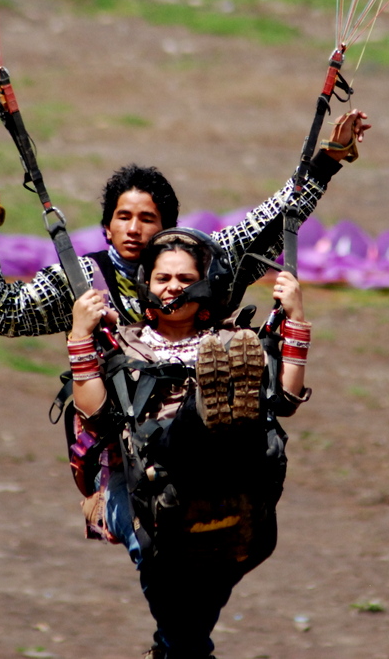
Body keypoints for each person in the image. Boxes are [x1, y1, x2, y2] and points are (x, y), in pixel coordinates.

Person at [67, 228, 312, 659]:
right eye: (163, 278)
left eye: (184, 278)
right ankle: (201, 415)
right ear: (146, 285)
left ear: (206, 284)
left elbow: (284, 400)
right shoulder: (123, 342)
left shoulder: (236, 344)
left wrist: (296, 318)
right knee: (166, 563)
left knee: (194, 606)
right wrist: (79, 336)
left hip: (229, 482)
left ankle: (172, 651)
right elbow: (95, 413)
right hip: (149, 481)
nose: (173, 287)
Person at [0, 109, 369, 336]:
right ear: (107, 228)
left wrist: (327, 159)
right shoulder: (83, 280)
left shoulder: (205, 264)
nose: (134, 229)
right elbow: (1, 314)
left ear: (168, 228)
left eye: (147, 219)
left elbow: (274, 217)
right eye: (123, 217)